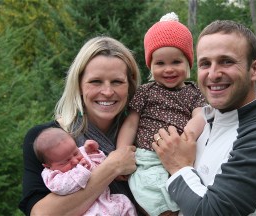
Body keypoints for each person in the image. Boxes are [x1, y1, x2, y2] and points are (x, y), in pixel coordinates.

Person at [152, 20, 256, 216]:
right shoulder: (204, 121)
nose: (213, 74)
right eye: (205, 64)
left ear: (254, 69)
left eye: (226, 61)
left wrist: (178, 167)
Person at [19, 36, 141, 215]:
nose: (107, 92)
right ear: (79, 84)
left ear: (129, 86)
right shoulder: (46, 141)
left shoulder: (144, 135)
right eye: (95, 81)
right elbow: (41, 213)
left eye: (117, 81)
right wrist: (113, 166)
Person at [117, 12, 206, 216]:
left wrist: (187, 136)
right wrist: (121, 153)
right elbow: (131, 123)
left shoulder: (194, 92)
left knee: (181, 196)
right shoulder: (145, 92)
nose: (168, 69)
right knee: (151, 196)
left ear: (188, 62)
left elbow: (200, 116)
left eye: (176, 61)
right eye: (160, 63)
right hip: (147, 157)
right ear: (150, 65)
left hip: (181, 153)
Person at [34, 127, 137, 216]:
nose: (75, 161)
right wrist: (81, 171)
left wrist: (92, 151)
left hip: (107, 202)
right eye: (65, 162)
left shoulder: (80, 155)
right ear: (48, 166)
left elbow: (101, 164)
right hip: (88, 211)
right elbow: (63, 187)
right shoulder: (52, 175)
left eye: (75, 153)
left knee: (124, 202)